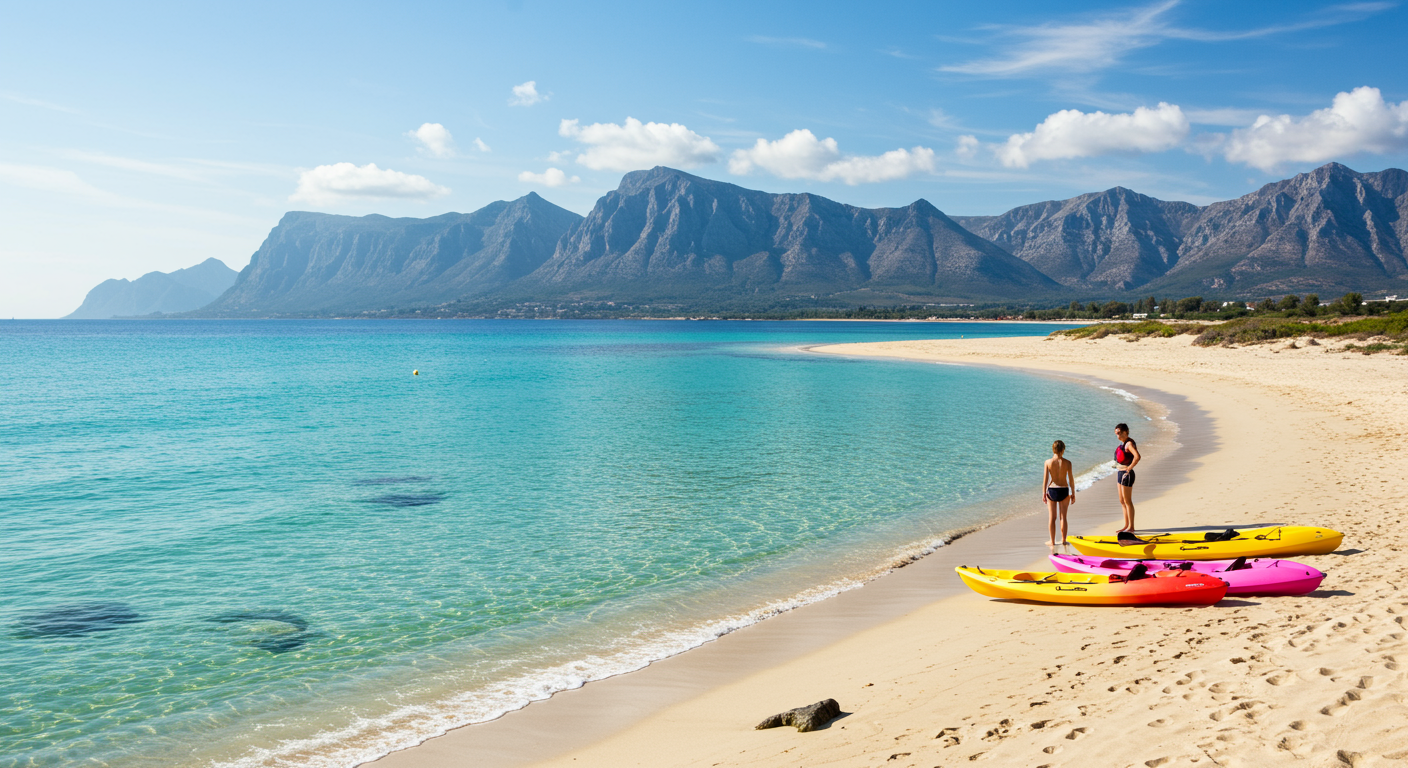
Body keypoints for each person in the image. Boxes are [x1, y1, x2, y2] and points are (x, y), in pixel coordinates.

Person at [1043, 440, 1075, 547]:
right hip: (1064, 490)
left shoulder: (1048, 462)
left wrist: (1043, 493)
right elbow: (1071, 480)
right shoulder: (1068, 463)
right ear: (1063, 449)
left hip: (1052, 490)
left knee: (1052, 518)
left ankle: (1052, 542)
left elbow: (1046, 479)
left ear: (1053, 449)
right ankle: (1064, 540)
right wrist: (1073, 493)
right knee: (1063, 517)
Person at [1114, 423, 1141, 533]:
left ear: (1125, 432)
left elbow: (1137, 456)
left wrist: (1129, 468)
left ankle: (1131, 527)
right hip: (1120, 473)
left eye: (1119, 433)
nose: (1118, 436)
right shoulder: (1123, 443)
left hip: (1127, 474)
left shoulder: (1129, 444)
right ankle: (1126, 525)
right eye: (1116, 434)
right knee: (1122, 501)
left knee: (1128, 501)